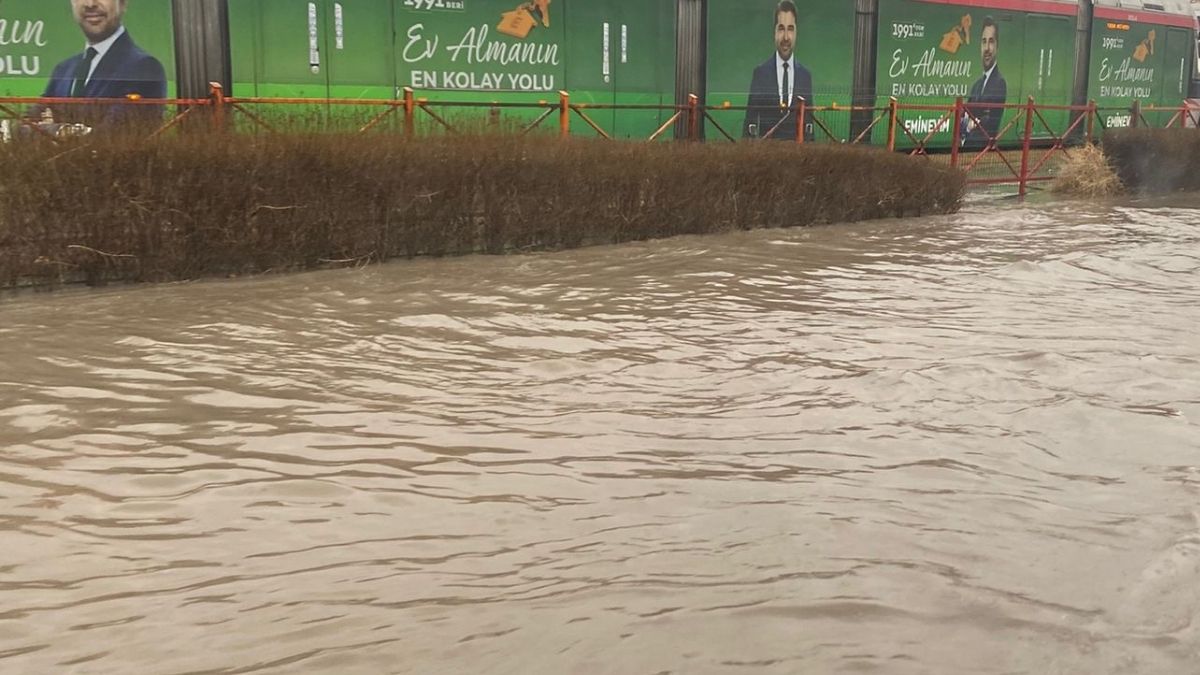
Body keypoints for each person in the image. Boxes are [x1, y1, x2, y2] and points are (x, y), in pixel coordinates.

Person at [38, 0, 166, 128]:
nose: (90, 4)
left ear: (123, 4)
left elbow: (116, 133)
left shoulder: (144, 67)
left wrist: (55, 130)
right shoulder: (63, 69)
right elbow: (30, 125)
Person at [742, 1, 813, 141]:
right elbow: (749, 124)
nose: (786, 37)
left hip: (797, 153)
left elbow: (810, 129)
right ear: (774, 32)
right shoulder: (760, 74)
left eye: (790, 29)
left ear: (796, 32)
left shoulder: (805, 76)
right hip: (767, 153)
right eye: (781, 28)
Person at [961, 16, 1006, 148]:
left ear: (997, 46)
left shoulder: (1000, 83)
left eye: (991, 41)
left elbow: (990, 124)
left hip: (980, 147)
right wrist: (969, 124)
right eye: (984, 41)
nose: (986, 48)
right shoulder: (976, 85)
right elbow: (963, 116)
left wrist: (968, 127)